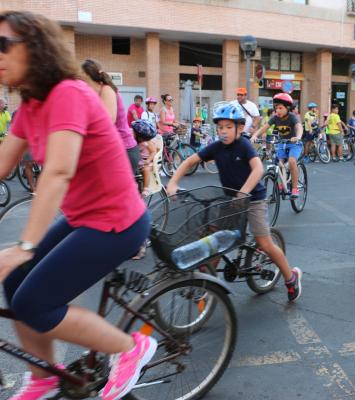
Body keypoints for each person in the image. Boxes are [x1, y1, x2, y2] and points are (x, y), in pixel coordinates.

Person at [0, 11, 155, 400]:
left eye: (2, 46)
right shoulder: (29, 107)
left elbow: (57, 173)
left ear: (35, 48)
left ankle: (130, 348)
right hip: (84, 218)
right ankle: (44, 375)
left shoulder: (68, 93)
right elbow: (2, 165)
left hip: (117, 221)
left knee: (35, 303)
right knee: (13, 281)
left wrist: (24, 247)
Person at [166, 103, 302, 302]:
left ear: (240, 128)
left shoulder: (244, 145)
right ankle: (207, 282)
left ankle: (291, 277)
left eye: (229, 127)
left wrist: (243, 192)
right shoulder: (217, 147)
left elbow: (258, 170)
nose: (223, 131)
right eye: (220, 127)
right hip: (230, 200)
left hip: (253, 199)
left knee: (264, 242)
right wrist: (172, 183)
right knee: (217, 239)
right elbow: (188, 162)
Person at [81, 59, 141, 176]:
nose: (83, 85)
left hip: (124, 150)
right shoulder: (95, 94)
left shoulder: (107, 90)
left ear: (95, 78)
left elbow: (107, 122)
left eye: (85, 81)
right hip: (113, 150)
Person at [251, 93, 303, 199]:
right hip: (282, 144)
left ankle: (294, 188)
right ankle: (281, 185)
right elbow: (264, 128)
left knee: (292, 161)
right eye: (276, 108)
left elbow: (299, 127)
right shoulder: (275, 118)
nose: (277, 110)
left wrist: (298, 137)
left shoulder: (292, 117)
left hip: (294, 144)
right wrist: (255, 135)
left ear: (287, 108)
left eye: (280, 108)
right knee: (280, 164)